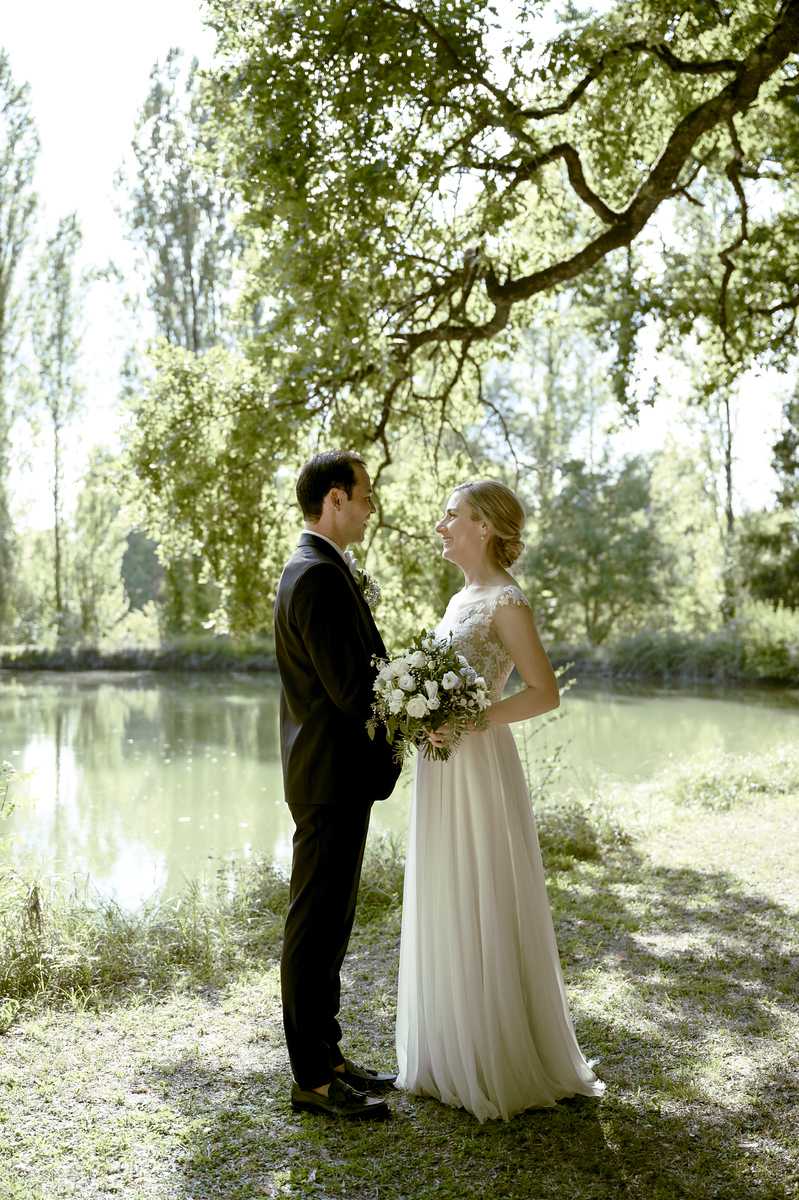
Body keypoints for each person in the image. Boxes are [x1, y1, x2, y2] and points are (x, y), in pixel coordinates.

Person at [395, 479, 605, 1122]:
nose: (440, 525)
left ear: (484, 526)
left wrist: (474, 720)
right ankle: (448, 1051)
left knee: (481, 888)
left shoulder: (506, 601)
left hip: (480, 762)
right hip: (443, 765)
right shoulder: (460, 598)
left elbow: (544, 691)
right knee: (447, 890)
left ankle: (494, 1054)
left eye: (450, 515)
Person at [274, 450, 402, 1120]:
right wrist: (410, 704)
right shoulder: (316, 575)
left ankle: (329, 1056)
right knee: (314, 925)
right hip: (326, 774)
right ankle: (313, 1081)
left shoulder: (322, 567)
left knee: (333, 923)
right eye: (365, 493)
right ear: (335, 498)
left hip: (333, 775)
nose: (370, 504)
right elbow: (352, 687)